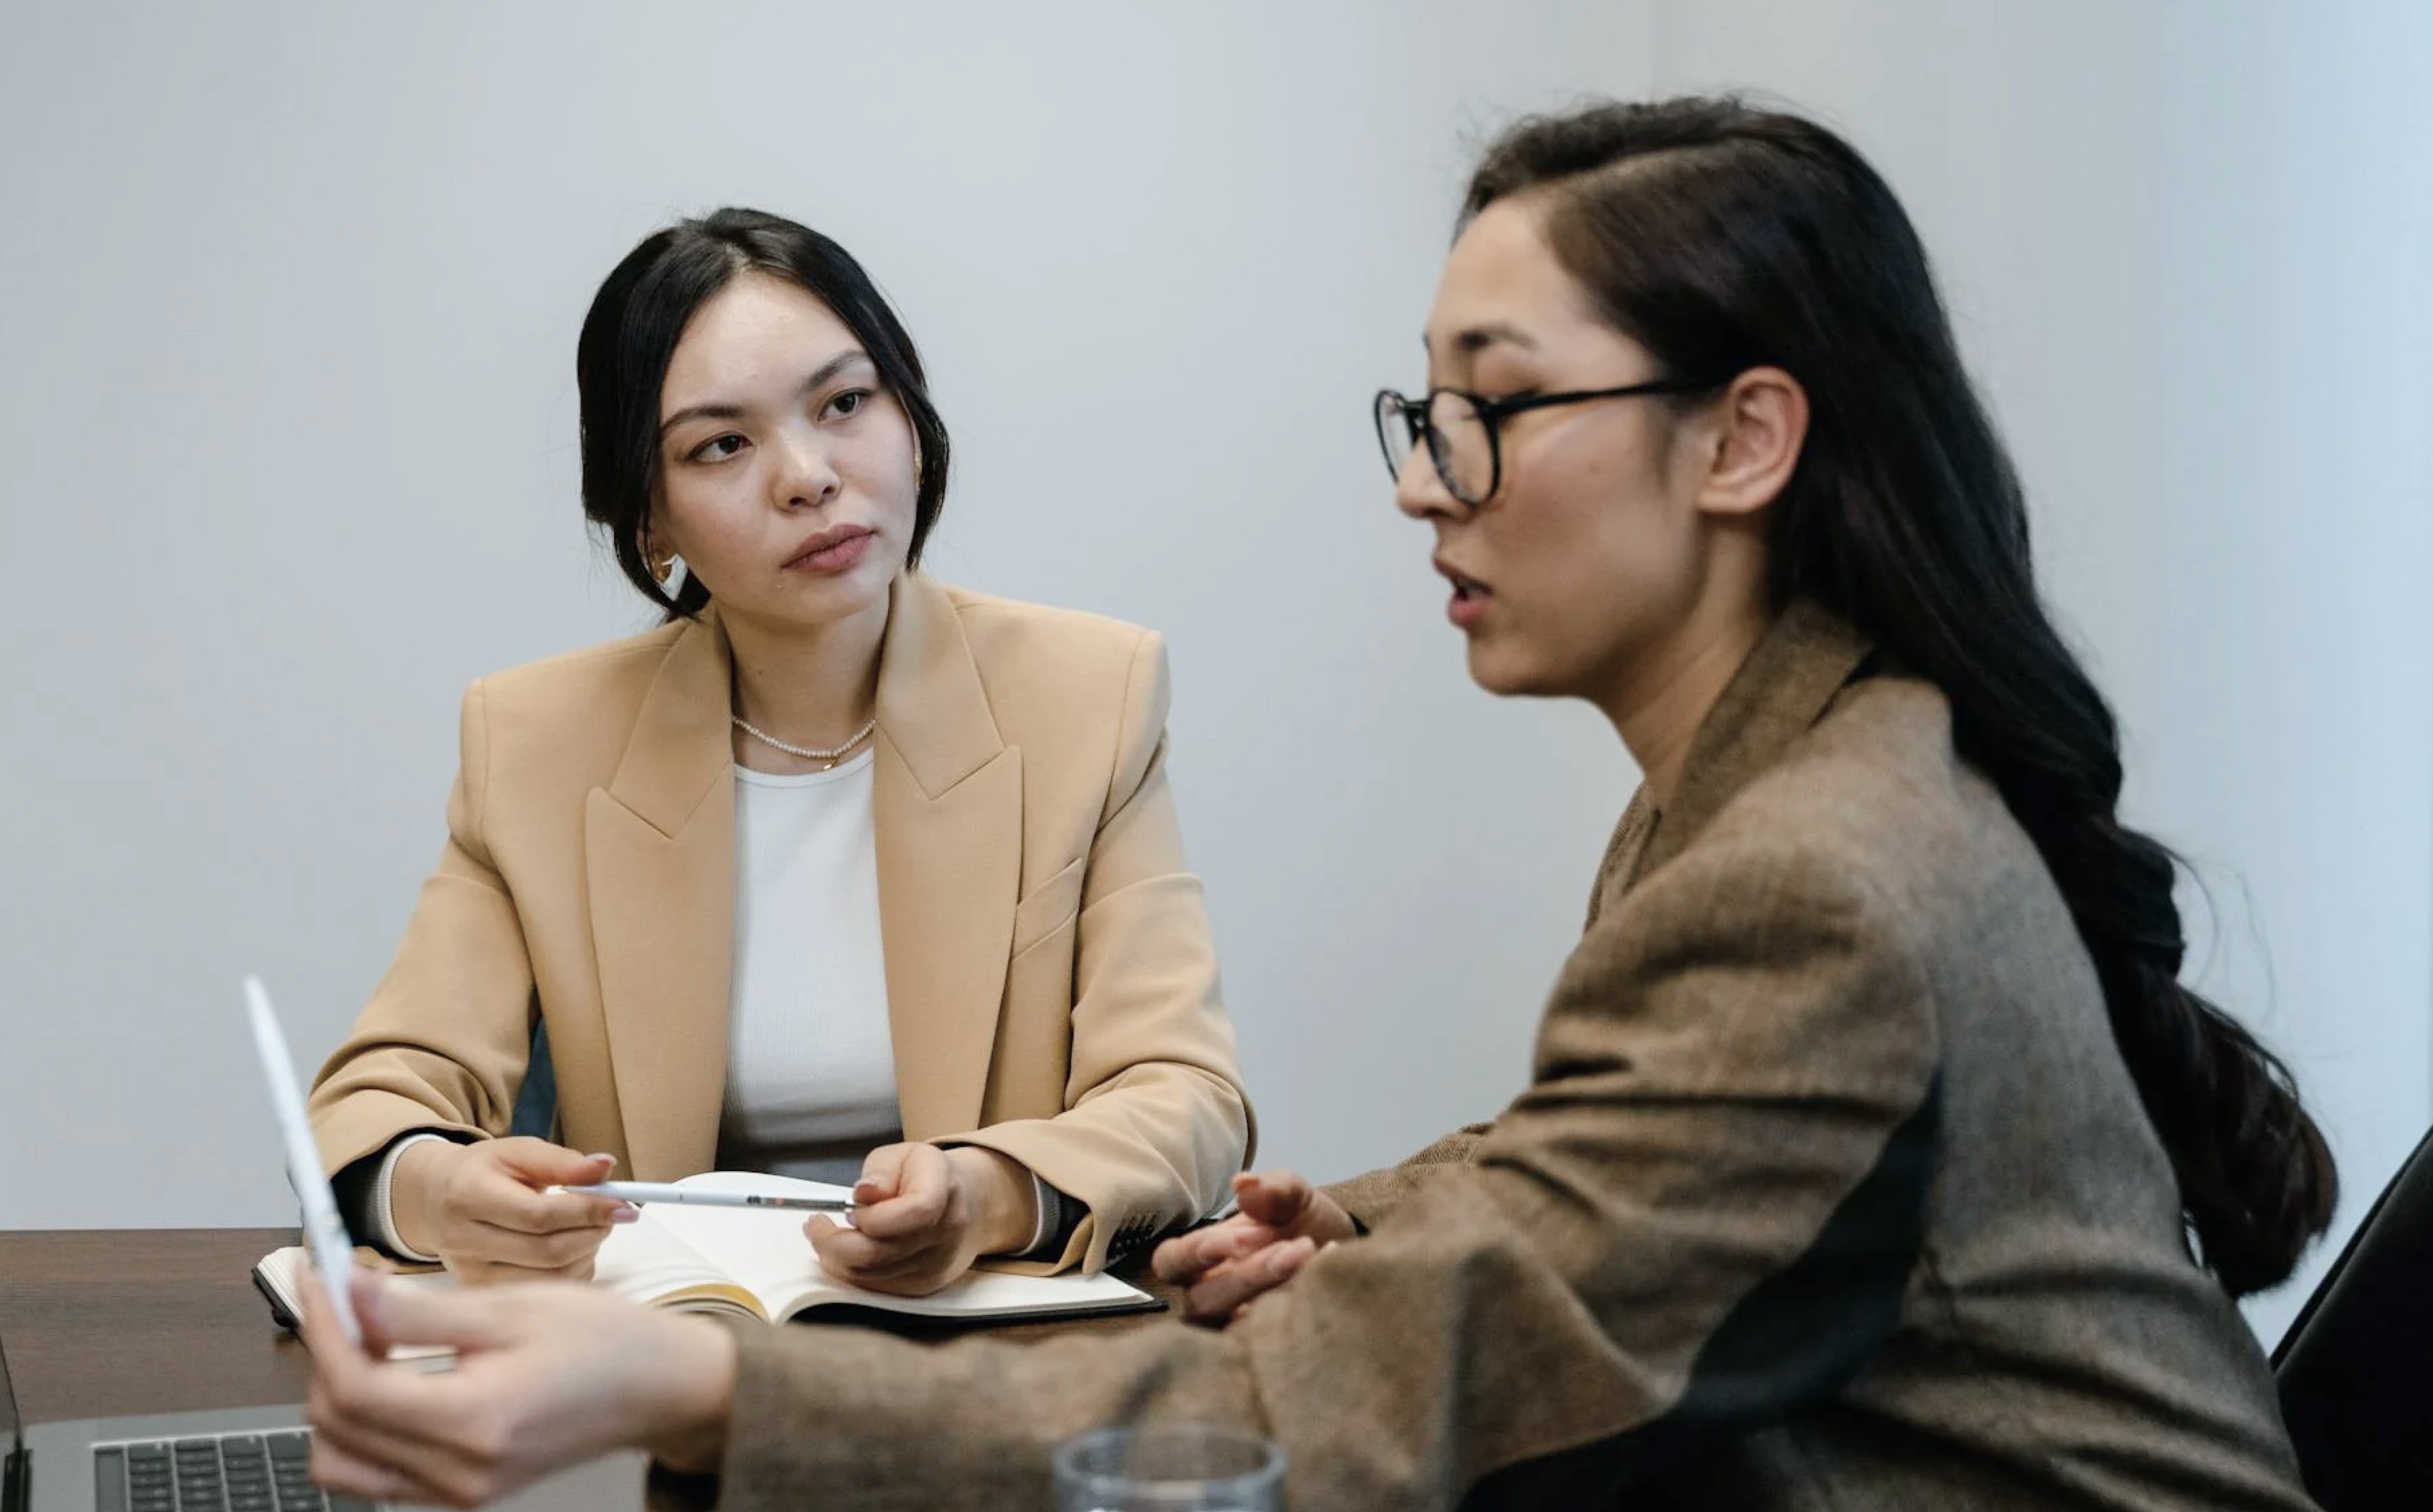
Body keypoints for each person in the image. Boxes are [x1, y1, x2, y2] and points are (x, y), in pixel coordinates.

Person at [288, 99, 2339, 1510]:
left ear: (1743, 443)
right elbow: (1584, 1177)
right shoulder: (1795, 776)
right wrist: (1365, 1219)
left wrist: (701, 1380)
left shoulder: (1815, 863)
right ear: (648, 515)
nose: (1420, 479)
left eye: (1491, 411)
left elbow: (1331, 1355)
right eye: (727, 444)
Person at [305, 209, 1253, 1300]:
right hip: (669, 1365)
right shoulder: (535, 745)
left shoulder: (1091, 696)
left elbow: (1185, 1096)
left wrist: (990, 1193)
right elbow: (379, 1095)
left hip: (988, 1351)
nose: (808, 475)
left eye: (846, 403)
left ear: (910, 414)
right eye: (722, 444)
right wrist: (432, 1189)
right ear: (649, 519)